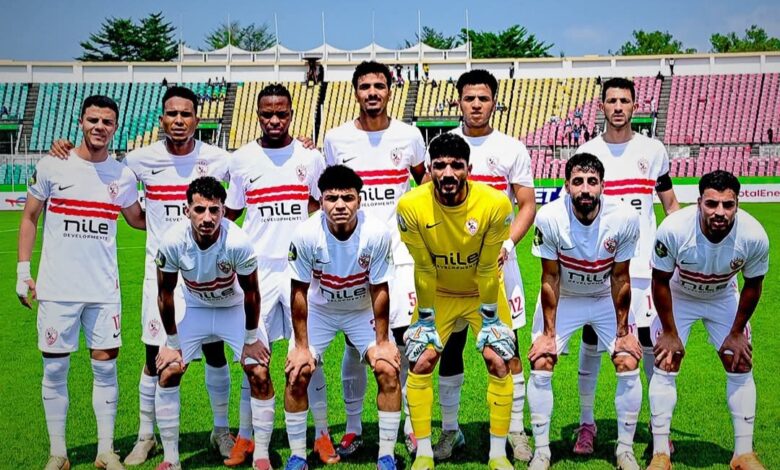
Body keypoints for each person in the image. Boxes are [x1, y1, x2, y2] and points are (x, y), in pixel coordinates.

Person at [49, 86, 236, 465]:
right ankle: (146, 436)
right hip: (161, 276)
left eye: (186, 114)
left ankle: (221, 431)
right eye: (172, 114)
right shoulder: (138, 160)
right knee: (154, 356)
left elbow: (246, 187)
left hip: (206, 276)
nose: (179, 121)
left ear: (197, 119)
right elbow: (103, 173)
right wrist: (64, 151)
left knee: (215, 351)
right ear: (162, 119)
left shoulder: (220, 159)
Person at [16, 95, 146, 470]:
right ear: (81, 122)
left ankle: (105, 451)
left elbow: (138, 219)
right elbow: (29, 217)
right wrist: (23, 272)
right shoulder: (52, 165)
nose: (99, 127)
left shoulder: (122, 176)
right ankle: (58, 453)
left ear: (116, 127)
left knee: (105, 366)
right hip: (57, 289)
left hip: (104, 291)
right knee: (55, 369)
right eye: (93, 120)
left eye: (107, 122)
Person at [320, 60, 426, 459]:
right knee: (354, 344)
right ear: (355, 92)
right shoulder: (337, 139)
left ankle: (411, 428)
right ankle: (352, 428)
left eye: (379, 86)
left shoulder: (409, 135)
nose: (372, 93)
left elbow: (424, 184)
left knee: (404, 341)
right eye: (365, 87)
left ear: (389, 90)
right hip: (351, 258)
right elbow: (328, 193)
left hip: (400, 256)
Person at [573, 77, 680, 456]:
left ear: (635, 106)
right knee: (592, 339)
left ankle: (656, 423)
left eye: (624, 101)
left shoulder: (653, 150)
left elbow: (670, 205)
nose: (618, 107)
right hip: (598, 267)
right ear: (601, 106)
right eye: (612, 101)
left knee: (649, 341)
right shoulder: (588, 150)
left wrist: (680, 249)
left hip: (644, 267)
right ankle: (587, 423)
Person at [434, 69, 536, 463]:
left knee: (507, 349)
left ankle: (515, 429)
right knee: (449, 348)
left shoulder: (511, 148)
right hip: (451, 269)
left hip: (497, 266)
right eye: (469, 98)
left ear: (495, 102)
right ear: (458, 101)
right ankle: (450, 431)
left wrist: (507, 244)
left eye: (483, 98)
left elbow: (526, 204)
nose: (476, 105)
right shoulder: (443, 145)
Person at [398, 133, 516, 470]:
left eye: (456, 165)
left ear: (469, 169)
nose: (448, 173)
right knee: (421, 362)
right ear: (429, 169)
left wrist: (490, 319)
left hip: (482, 293)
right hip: (440, 293)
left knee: (498, 360)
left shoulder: (495, 203)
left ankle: (497, 454)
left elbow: (487, 267)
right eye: (439, 165)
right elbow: (423, 267)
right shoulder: (410, 206)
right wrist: (424, 318)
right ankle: (424, 452)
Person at [224, 83, 325, 466]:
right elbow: (232, 213)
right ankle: (246, 438)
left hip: (300, 269)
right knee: (254, 358)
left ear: (292, 114)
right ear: (257, 115)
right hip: (257, 273)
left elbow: (319, 203)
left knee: (309, 355)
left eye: (281, 113)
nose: (275, 120)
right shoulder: (242, 160)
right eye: (267, 114)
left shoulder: (310, 157)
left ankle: (322, 435)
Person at [526, 152, 642, 470]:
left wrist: (623, 333)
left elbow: (621, 277)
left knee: (627, 359)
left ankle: (625, 450)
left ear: (603, 185)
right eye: (578, 181)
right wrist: (548, 334)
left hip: (605, 295)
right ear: (567, 186)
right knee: (541, 359)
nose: (586, 189)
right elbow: (549, 277)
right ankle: (542, 451)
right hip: (566, 296)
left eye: (592, 181)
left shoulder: (624, 218)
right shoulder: (550, 217)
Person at [646, 171, 769, 470]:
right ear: (699, 202)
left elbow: (753, 285)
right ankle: (661, 453)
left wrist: (737, 333)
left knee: (739, 360)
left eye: (728, 205)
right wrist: (670, 332)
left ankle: (743, 453)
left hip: (722, 295)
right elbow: (659, 281)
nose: (720, 212)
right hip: (679, 294)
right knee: (666, 358)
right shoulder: (674, 229)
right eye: (712, 204)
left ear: (737, 204)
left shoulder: (754, 235)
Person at [283, 165, 402, 470]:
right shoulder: (305, 233)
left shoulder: (376, 233)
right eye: (331, 198)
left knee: (387, 369)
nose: (339, 205)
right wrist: (301, 347)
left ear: (359, 200)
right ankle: (297, 456)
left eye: (347, 198)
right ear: (321, 200)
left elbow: (380, 288)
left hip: (360, 310)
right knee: (297, 371)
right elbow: (298, 291)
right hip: (320, 310)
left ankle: (386, 456)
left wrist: (382, 342)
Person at [153, 176, 272, 470]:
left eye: (214, 210)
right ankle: (171, 458)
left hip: (233, 309)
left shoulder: (238, 241)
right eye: (199, 209)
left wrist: (251, 339)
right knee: (169, 370)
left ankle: (261, 456)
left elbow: (252, 293)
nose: (207, 218)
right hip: (196, 308)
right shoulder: (172, 241)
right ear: (187, 211)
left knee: (258, 370)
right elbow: (165, 294)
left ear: (223, 210)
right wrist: (172, 344)